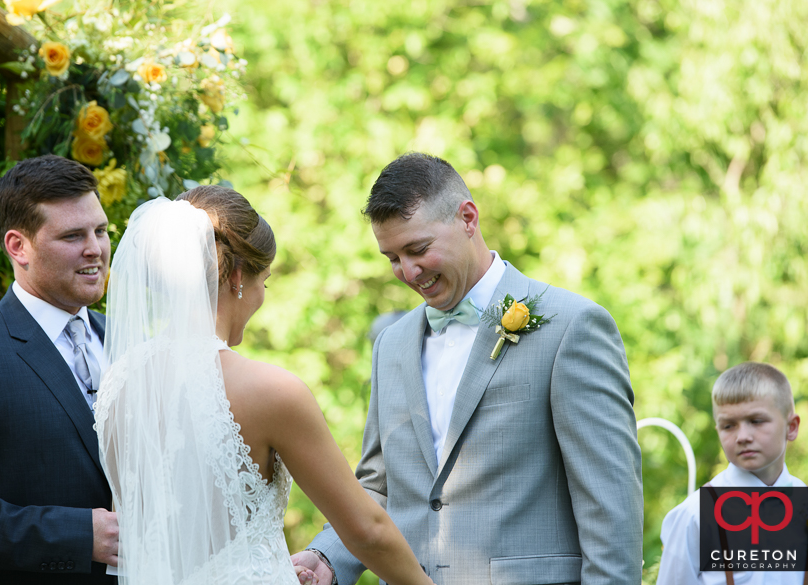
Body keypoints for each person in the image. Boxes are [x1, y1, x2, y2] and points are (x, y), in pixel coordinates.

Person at [292, 152, 644, 584]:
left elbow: (610, 505)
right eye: (392, 258)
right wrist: (325, 557)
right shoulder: (391, 344)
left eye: (418, 249)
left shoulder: (571, 327)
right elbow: (379, 487)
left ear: (468, 218)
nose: (408, 271)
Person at [95, 186, 434, 585]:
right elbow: (367, 530)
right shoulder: (272, 392)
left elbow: (155, 540)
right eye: (265, 282)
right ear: (238, 276)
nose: (261, 297)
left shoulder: (119, 384)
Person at [0, 155, 119, 584]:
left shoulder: (126, 342)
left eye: (101, 230)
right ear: (19, 246)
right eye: (73, 235)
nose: (96, 248)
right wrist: (76, 535)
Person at [657, 362, 804, 585]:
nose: (742, 436)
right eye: (728, 426)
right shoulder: (696, 514)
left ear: (791, 427)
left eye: (756, 421)